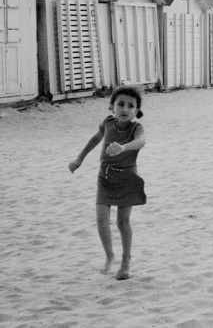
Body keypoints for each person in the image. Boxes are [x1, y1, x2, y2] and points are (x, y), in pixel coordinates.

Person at [68, 86, 147, 280]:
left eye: (131, 106)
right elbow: (95, 139)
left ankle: (126, 260)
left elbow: (141, 141)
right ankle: (109, 255)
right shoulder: (108, 123)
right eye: (120, 104)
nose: (125, 109)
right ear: (112, 106)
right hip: (105, 176)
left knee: (122, 222)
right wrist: (79, 159)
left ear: (136, 110)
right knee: (101, 219)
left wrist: (123, 148)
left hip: (127, 177)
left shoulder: (136, 128)